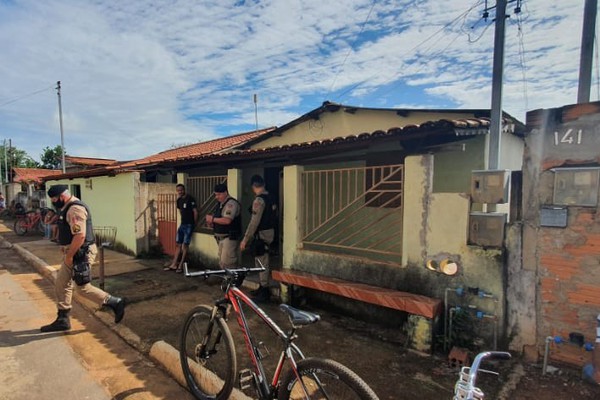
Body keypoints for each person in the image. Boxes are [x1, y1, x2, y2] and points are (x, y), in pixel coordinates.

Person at [40, 185, 125, 332]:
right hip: (74, 252)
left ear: (62, 196)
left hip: (81, 253)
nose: (53, 202)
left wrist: (69, 256)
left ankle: (114, 302)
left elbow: (80, 235)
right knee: (61, 283)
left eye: (54, 199)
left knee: (82, 288)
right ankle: (63, 319)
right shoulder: (67, 207)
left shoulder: (74, 209)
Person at [240, 175, 276, 302]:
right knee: (260, 260)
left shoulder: (259, 200)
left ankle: (265, 291)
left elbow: (254, 222)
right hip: (269, 232)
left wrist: (245, 239)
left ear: (253, 187)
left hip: (262, 234)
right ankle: (262, 287)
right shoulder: (271, 197)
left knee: (262, 262)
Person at [205, 184, 242, 269]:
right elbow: (218, 219)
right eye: (215, 195)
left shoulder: (231, 204)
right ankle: (227, 281)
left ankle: (232, 281)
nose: (216, 197)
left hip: (229, 237)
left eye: (219, 194)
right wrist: (211, 223)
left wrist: (212, 219)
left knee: (228, 263)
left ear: (225, 192)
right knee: (222, 263)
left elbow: (227, 220)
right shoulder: (220, 204)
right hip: (221, 238)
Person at [164, 184, 198, 273]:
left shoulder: (190, 199)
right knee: (178, 244)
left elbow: (195, 211)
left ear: (184, 190)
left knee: (185, 246)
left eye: (181, 190)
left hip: (189, 225)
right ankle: (174, 264)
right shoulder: (178, 200)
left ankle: (181, 265)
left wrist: (193, 223)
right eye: (178, 190)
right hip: (182, 225)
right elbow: (180, 210)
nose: (180, 192)